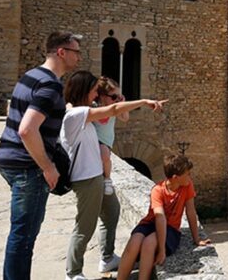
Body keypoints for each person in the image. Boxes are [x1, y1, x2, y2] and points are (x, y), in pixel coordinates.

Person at [61, 70, 167, 280]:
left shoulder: (78, 111)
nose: (94, 95)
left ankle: (107, 257)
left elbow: (115, 110)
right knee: (85, 226)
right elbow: (115, 109)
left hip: (98, 175)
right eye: (92, 91)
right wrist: (145, 101)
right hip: (86, 178)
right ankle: (73, 273)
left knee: (112, 212)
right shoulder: (76, 115)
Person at [0, 31, 82, 280]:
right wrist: (47, 167)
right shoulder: (50, 84)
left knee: (20, 232)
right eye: (75, 51)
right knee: (24, 236)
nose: (79, 57)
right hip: (27, 165)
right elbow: (27, 129)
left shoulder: (31, 76)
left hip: (9, 157)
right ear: (61, 52)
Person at [116, 154, 211, 280]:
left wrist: (197, 239)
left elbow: (191, 212)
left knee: (149, 243)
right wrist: (161, 250)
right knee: (134, 242)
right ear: (176, 177)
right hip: (150, 223)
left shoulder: (187, 186)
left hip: (171, 228)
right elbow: (159, 218)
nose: (190, 176)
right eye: (188, 173)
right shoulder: (158, 190)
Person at [92, 76, 129, 273]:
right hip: (96, 154)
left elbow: (125, 117)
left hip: (103, 152)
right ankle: (77, 270)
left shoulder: (113, 109)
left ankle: (107, 256)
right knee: (98, 217)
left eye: (118, 95)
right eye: (113, 95)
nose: (116, 99)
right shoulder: (94, 109)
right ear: (102, 96)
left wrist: (120, 103)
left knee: (109, 213)